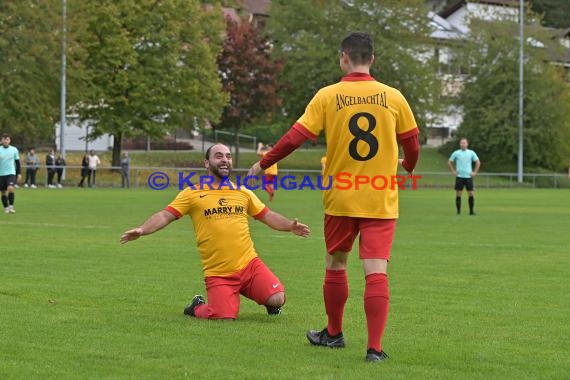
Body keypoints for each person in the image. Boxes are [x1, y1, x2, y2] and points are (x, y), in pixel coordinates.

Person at [247, 32, 420, 362]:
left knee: (336, 264)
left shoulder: (328, 96)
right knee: (376, 271)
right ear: (372, 58)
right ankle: (375, 349)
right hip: (381, 198)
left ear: (343, 57)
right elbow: (412, 144)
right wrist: (408, 166)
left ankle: (334, 333)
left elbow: (294, 138)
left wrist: (264, 161)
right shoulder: (394, 97)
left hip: (341, 197)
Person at [120, 143, 310, 320]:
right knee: (223, 316)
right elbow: (164, 215)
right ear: (206, 163)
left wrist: (289, 226)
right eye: (218, 156)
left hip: (250, 265)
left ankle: (264, 297)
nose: (225, 160)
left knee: (278, 298)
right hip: (219, 273)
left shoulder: (242, 192)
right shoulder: (192, 193)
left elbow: (268, 216)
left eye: (228, 156)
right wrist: (143, 229)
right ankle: (196, 306)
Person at [447, 138, 481, 215]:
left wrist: (475, 172)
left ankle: (471, 211)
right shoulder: (456, 153)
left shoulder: (471, 153)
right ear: (460, 144)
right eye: (462, 143)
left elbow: (478, 162)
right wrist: (453, 171)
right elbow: (449, 162)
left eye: (464, 143)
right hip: (459, 177)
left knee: (471, 194)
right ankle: (458, 211)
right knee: (458, 194)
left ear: (467, 144)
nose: (463, 144)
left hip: (468, 177)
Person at [0, 134, 21, 214]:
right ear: (1, 141)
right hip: (1, 174)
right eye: (4, 139)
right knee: (3, 192)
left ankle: (11, 206)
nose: (5, 141)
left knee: (10, 188)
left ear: (10, 141)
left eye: (7, 139)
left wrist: (18, 173)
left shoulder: (14, 149)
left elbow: (17, 162)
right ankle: (6, 208)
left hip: (11, 173)